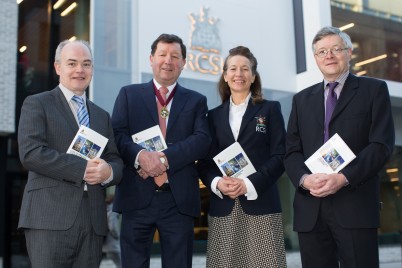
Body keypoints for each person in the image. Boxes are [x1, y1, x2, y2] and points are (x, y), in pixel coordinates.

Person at [284, 26, 395, 268]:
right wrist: (303, 179)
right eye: (322, 51)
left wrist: (343, 178)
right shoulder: (301, 100)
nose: (329, 55)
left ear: (349, 52)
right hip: (310, 209)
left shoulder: (373, 91)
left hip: (354, 204)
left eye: (336, 49)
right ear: (315, 58)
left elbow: (381, 145)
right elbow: (291, 150)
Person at [17, 40, 123, 267]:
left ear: (92, 69)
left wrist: (108, 172)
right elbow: (31, 153)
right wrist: (83, 169)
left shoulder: (101, 116)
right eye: (72, 63)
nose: (79, 70)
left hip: (92, 220)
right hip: (48, 218)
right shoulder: (37, 104)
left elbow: (115, 159)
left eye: (86, 64)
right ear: (57, 67)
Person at [111, 33, 211, 268]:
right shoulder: (129, 94)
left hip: (177, 201)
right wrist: (141, 157)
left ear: (184, 62)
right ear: (151, 59)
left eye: (175, 56)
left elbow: (202, 140)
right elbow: (117, 135)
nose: (168, 60)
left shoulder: (197, 100)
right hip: (137, 196)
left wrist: (164, 159)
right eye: (162, 54)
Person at [197, 46, 287, 267]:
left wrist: (248, 184)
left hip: (261, 203)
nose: (239, 74)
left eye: (245, 69)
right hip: (223, 206)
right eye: (233, 69)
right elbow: (205, 164)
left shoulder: (270, 109)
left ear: (253, 76)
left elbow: (280, 156)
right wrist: (218, 183)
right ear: (225, 76)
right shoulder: (212, 116)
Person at [102, 192, 122, 268]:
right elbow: (112, 225)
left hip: (106, 244)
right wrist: (117, 235)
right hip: (112, 244)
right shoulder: (113, 209)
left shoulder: (106, 207)